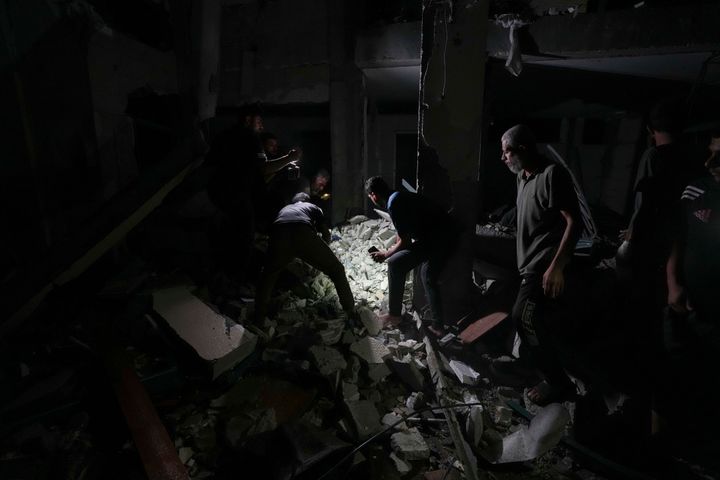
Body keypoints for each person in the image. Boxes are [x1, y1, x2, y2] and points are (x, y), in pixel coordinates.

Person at [498, 124, 582, 405]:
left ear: (522, 149)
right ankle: (537, 365)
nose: (503, 158)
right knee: (535, 321)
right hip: (527, 265)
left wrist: (557, 266)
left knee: (523, 317)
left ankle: (559, 384)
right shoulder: (522, 177)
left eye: (506, 151)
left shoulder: (552, 174)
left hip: (543, 265)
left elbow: (574, 222)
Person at [365, 176, 461, 336]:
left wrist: (386, 254)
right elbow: (402, 232)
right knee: (423, 273)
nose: (371, 199)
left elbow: (405, 241)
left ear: (374, 195)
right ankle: (435, 325)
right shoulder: (397, 197)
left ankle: (397, 316)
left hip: (441, 239)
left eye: (370, 197)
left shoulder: (395, 203)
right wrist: (390, 249)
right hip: (438, 236)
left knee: (399, 265)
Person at [255, 193, 355, 322]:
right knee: (336, 270)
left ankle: (258, 317)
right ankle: (350, 311)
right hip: (302, 231)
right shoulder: (312, 206)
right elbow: (325, 233)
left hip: (278, 234)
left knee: (268, 275)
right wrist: (324, 252)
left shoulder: (284, 209)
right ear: (306, 201)